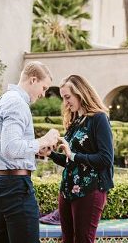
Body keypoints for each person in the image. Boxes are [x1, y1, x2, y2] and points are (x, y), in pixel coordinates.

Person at [0, 61, 60, 243]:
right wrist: (45, 140)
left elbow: (7, 146)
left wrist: (36, 149)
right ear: (33, 80)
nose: (43, 94)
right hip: (13, 186)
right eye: (43, 87)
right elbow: (11, 148)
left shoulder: (3, 100)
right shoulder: (17, 103)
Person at [49, 74, 114, 243]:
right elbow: (70, 161)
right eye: (63, 98)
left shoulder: (99, 118)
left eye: (67, 97)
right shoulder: (75, 120)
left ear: (81, 93)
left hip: (90, 190)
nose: (65, 102)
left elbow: (105, 158)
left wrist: (74, 155)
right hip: (67, 190)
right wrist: (50, 154)